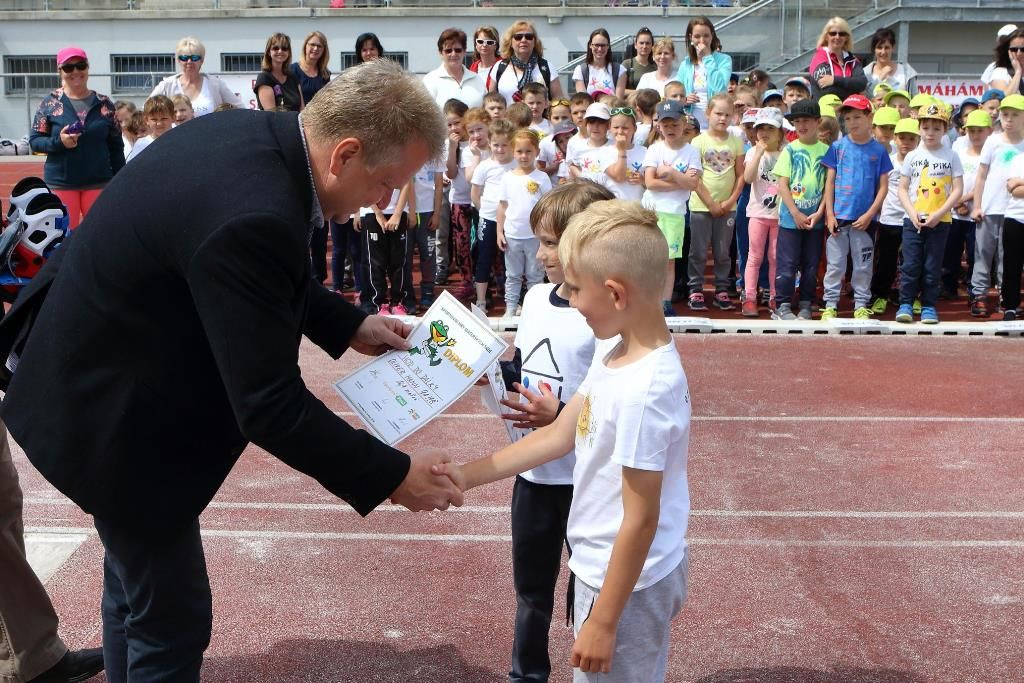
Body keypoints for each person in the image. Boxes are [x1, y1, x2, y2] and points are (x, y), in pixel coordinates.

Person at [0, 59, 462, 682]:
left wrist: (345, 323)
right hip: (112, 419)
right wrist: (392, 476)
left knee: (134, 593)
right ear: (344, 154)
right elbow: (271, 404)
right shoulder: (258, 209)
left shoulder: (253, 137)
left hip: (92, 378)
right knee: (171, 619)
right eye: (384, 182)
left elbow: (237, 268)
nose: (382, 201)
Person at [434, 199, 691, 682]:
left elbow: (640, 519)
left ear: (615, 294)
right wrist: (463, 476)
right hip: (610, 570)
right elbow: (556, 437)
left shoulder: (646, 389)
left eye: (575, 290)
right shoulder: (616, 352)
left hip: (628, 584)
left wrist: (604, 622)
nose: (569, 301)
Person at [496, 179, 613, 683]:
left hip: (589, 482)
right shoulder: (538, 298)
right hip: (535, 474)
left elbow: (614, 403)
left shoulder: (607, 314)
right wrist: (485, 370)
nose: (540, 254)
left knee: (593, 587)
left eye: (550, 243)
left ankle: (595, 671)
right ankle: (527, 675)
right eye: (539, 241)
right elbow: (522, 367)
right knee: (532, 591)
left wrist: (562, 412)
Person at [29, 46, 124, 230]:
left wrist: (121, 180)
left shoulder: (105, 103)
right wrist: (59, 142)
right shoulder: (49, 103)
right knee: (62, 239)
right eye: (68, 68)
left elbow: (116, 147)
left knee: (100, 236)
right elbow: (35, 142)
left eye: (80, 66)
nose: (75, 72)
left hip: (99, 182)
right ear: (59, 71)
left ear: (88, 68)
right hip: (62, 184)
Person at [821, 94, 892, 321]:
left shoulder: (879, 150)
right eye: (848, 118)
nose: (853, 122)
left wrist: (871, 214)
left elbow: (883, 187)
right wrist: (829, 214)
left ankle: (861, 302)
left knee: (863, 265)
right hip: (839, 218)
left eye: (858, 117)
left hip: (865, 221)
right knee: (836, 264)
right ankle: (830, 303)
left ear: (869, 117)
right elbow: (830, 182)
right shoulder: (837, 147)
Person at [895, 104, 963, 324]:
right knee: (911, 264)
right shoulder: (912, 156)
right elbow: (903, 188)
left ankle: (929, 306)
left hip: (940, 221)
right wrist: (912, 213)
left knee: (932, 266)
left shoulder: (952, 156)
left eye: (936, 128)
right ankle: (906, 303)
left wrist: (940, 213)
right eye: (926, 127)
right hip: (912, 221)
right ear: (919, 128)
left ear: (945, 129)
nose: (930, 132)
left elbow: (958, 190)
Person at [642, 100, 702, 317]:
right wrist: (681, 181)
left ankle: (665, 302)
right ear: (658, 125)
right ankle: (648, 300)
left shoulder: (691, 152)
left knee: (669, 261)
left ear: (684, 123)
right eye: (665, 124)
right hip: (651, 212)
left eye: (675, 124)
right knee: (650, 260)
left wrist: (671, 173)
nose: (670, 129)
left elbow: (693, 184)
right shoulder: (654, 149)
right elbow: (650, 183)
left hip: (675, 213)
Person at [688, 93, 744, 312]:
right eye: (718, 113)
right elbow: (695, 177)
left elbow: (740, 175)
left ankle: (721, 289)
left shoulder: (736, 142)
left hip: (727, 208)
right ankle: (696, 289)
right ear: (708, 113)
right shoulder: (698, 141)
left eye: (727, 115)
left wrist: (730, 201)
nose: (723, 118)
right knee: (698, 251)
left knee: (722, 252)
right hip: (701, 206)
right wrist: (711, 203)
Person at [773, 98, 828, 321]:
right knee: (787, 264)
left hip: (815, 220)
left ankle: (806, 302)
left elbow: (828, 187)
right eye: (797, 122)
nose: (802, 125)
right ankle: (783, 304)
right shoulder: (790, 150)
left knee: (811, 264)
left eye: (806, 120)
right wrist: (795, 212)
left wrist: (820, 212)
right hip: (790, 220)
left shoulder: (827, 151)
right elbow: (782, 184)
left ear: (818, 121)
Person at [970, 94, 1024, 316]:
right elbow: (981, 175)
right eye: (1005, 114)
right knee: (983, 253)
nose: (1008, 119)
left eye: (1015, 115)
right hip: (990, 208)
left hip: (1014, 211)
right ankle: (979, 295)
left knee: (1008, 256)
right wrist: (977, 205)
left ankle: (1006, 295)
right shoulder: (993, 141)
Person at [497, 129, 552, 318]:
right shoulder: (507, 177)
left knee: (535, 276)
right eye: (519, 151)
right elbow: (502, 206)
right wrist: (499, 232)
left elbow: (547, 208)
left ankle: (533, 310)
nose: (524, 156)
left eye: (528, 151)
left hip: (534, 237)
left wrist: (546, 234)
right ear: (513, 151)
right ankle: (511, 308)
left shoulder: (542, 178)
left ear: (536, 151)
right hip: (512, 236)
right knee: (513, 275)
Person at [870, 118, 919, 316]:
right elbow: (879, 188)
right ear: (895, 139)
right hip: (889, 218)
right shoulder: (887, 161)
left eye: (911, 138)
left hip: (913, 218)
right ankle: (880, 295)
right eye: (902, 138)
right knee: (885, 261)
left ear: (918, 140)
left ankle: (911, 296)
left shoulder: (920, 162)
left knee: (912, 261)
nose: (906, 142)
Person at [740, 107, 783, 317]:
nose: (764, 132)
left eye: (770, 128)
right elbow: (748, 178)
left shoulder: (787, 152)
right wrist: (758, 152)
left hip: (780, 215)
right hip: (757, 213)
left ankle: (775, 296)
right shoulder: (752, 152)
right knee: (754, 256)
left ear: (779, 132)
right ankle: (749, 298)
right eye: (760, 128)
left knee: (775, 257)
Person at [471, 118, 516, 310]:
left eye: (504, 145)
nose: (499, 149)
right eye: (496, 145)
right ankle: (481, 299)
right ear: (489, 143)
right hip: (488, 218)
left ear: (512, 144)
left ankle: (512, 300)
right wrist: (485, 211)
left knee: (512, 260)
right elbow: (475, 193)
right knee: (484, 257)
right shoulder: (484, 166)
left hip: (512, 219)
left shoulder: (517, 163)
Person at [947, 110, 991, 306]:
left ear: (989, 131)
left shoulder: (991, 155)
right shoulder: (958, 152)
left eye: (979, 131)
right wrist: (956, 202)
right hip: (955, 213)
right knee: (951, 253)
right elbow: (949, 179)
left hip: (977, 215)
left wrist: (964, 199)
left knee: (975, 255)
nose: (975, 135)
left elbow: (986, 182)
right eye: (971, 131)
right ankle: (948, 288)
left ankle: (975, 291)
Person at [150, 37, 241, 117]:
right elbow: (147, 110)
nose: (189, 61)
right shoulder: (167, 85)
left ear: (202, 60)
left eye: (194, 58)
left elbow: (239, 108)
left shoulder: (215, 84)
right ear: (178, 60)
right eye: (184, 58)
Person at [443, 98, 477, 300]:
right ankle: (466, 280)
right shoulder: (450, 145)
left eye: (458, 122)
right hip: (459, 200)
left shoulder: (476, 140)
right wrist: (452, 148)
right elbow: (451, 172)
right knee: (461, 243)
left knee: (479, 244)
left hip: (478, 201)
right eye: (450, 124)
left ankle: (485, 281)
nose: (454, 127)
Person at [675, 17, 732, 129]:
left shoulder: (724, 60)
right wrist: (685, 99)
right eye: (697, 36)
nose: (702, 40)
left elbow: (720, 88)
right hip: (690, 125)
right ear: (691, 37)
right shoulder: (685, 64)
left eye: (706, 36)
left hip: (715, 124)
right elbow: (676, 94)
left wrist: (707, 58)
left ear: (712, 36)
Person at [490, 20, 564, 105]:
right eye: (518, 37)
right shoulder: (499, 67)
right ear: (510, 42)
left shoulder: (547, 67)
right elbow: (490, 102)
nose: (523, 40)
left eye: (529, 37)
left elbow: (558, 101)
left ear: (534, 42)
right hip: (507, 118)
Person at [423, 28, 486, 110]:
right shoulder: (429, 81)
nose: (453, 54)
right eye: (448, 51)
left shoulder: (477, 79)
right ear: (440, 53)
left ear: (464, 51)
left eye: (458, 50)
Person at [808, 17, 867, 102]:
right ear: (826, 36)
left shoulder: (853, 60)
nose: (837, 37)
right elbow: (828, 90)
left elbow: (862, 83)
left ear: (846, 37)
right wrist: (854, 90)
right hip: (824, 112)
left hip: (848, 112)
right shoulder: (819, 57)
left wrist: (834, 80)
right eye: (833, 33)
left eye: (842, 34)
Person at [601, 106, 646, 203]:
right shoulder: (604, 152)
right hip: (614, 208)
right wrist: (622, 151)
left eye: (625, 128)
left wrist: (643, 180)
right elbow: (619, 177)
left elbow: (651, 183)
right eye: (616, 127)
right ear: (610, 127)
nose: (620, 131)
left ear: (634, 128)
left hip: (638, 208)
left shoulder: (644, 151)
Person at [1002, 136, 1024, 320]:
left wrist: (1021, 181)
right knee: (1012, 265)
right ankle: (1010, 306)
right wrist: (1016, 184)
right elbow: (1013, 189)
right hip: (1016, 217)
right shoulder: (1018, 159)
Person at [572, 29, 626, 99]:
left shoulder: (620, 70)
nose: (600, 49)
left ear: (608, 46)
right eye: (596, 45)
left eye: (603, 45)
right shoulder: (580, 70)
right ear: (590, 45)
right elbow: (583, 101)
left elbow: (618, 101)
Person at [255, 33, 302, 112]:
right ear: (269, 52)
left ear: (288, 52)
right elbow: (271, 114)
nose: (280, 51)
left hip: (296, 123)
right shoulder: (264, 78)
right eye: (275, 48)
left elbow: (302, 109)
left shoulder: (293, 77)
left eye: (284, 48)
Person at [863, 27, 918, 95]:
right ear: (874, 49)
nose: (883, 52)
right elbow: (866, 98)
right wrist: (880, 77)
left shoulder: (906, 72)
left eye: (887, 48)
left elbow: (915, 99)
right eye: (879, 48)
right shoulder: (864, 74)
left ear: (893, 48)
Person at [125, 95, 174, 163]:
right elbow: (132, 170)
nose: (159, 123)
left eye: (164, 119)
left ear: (173, 117)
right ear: (146, 120)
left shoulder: (180, 140)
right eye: (154, 119)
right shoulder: (142, 144)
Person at [291, 31, 331, 106]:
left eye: (319, 46)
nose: (315, 48)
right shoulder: (292, 70)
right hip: (297, 116)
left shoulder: (325, 74)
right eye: (312, 44)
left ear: (324, 50)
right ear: (305, 46)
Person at [986, 28, 1024, 97]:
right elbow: (1003, 99)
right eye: (1014, 49)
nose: (1019, 53)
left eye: (1023, 49)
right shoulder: (1000, 73)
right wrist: (1018, 72)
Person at [623, 27, 656, 93]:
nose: (644, 46)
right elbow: (620, 90)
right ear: (635, 45)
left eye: (647, 43)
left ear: (652, 46)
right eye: (641, 43)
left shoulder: (656, 66)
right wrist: (640, 93)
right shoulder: (627, 64)